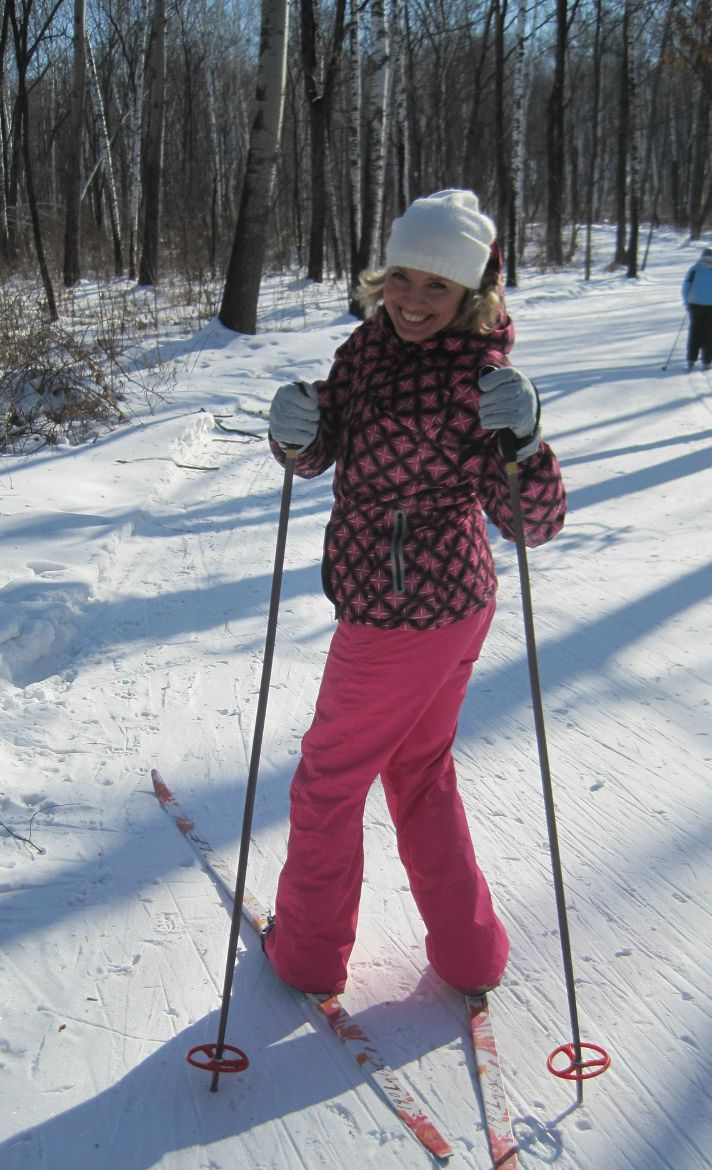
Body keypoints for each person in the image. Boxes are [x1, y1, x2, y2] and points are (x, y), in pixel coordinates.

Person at [262, 189, 567, 998]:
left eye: (438, 287)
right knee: (420, 772)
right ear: (382, 276)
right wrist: (297, 430)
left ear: (473, 294)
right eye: (402, 277)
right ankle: (472, 956)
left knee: (327, 783)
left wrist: (527, 444)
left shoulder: (481, 377)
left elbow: (533, 524)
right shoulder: (368, 345)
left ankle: (305, 955)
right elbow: (326, 449)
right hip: (444, 605)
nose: (414, 301)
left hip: (405, 617)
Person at [682, 246, 712, 371]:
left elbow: (686, 286)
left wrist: (686, 301)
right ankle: (707, 361)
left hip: (695, 304)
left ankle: (691, 359)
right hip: (711, 305)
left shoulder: (694, 269)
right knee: (709, 332)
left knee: (695, 331)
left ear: (701, 256)